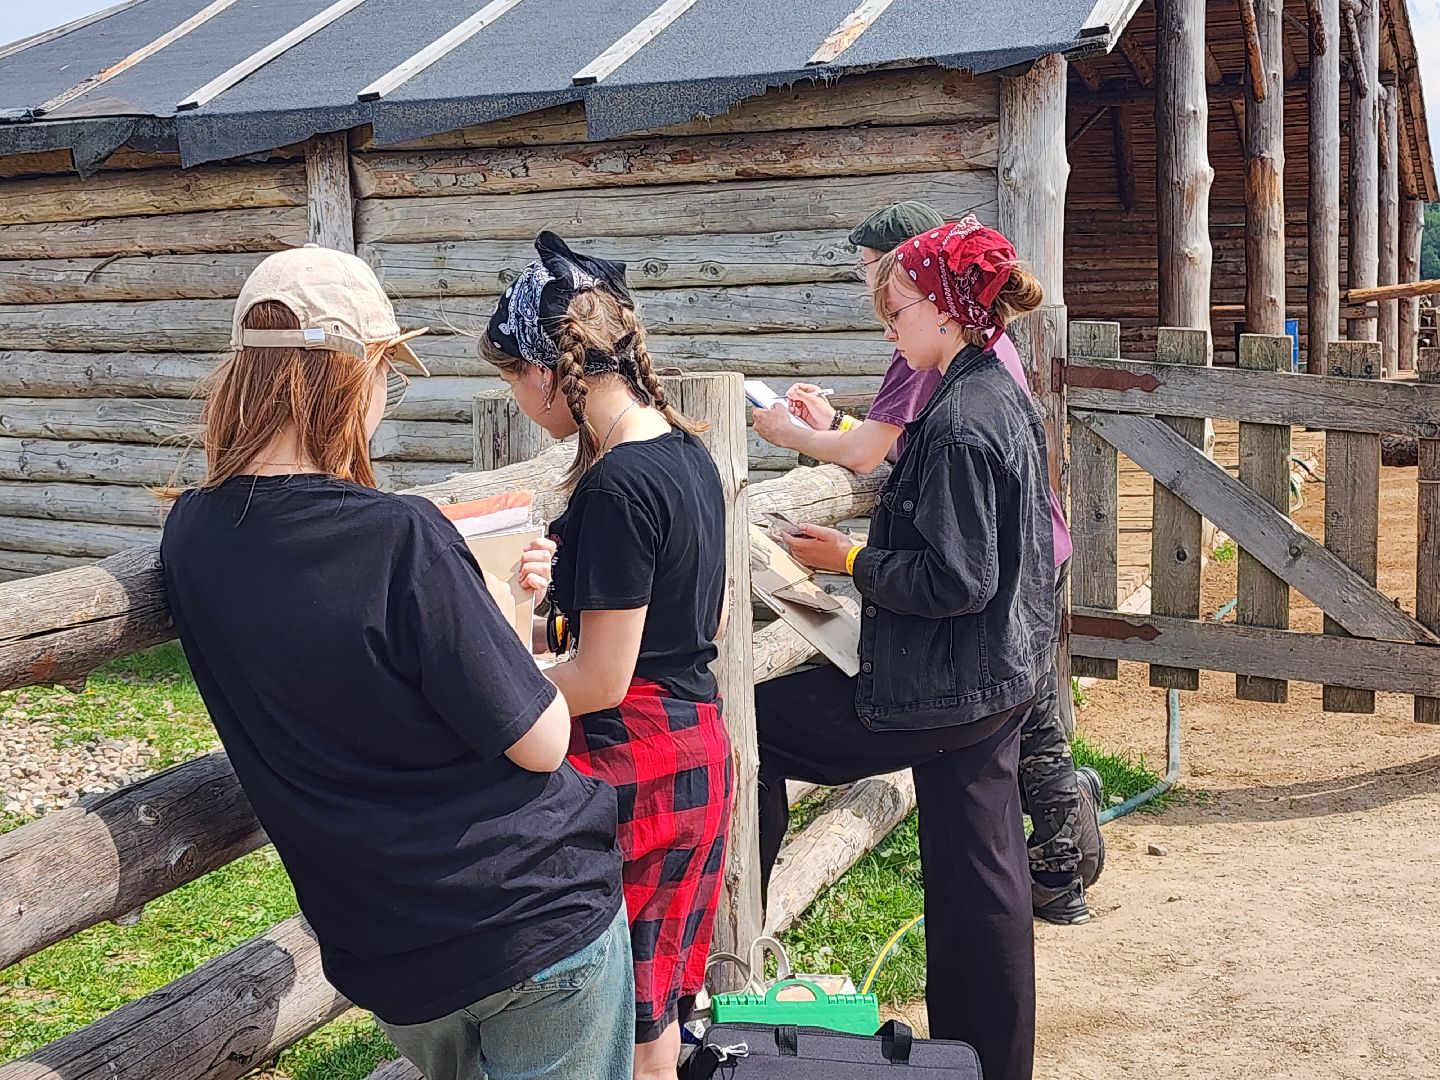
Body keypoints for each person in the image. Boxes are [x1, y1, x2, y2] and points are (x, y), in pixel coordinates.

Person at [160, 245, 633, 1080]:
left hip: (385, 946)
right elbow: (543, 739)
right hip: (526, 915)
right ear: (352, 375)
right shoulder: (398, 536)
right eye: (385, 369)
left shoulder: (192, 536)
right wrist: (497, 612)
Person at [754, 217, 1058, 1080]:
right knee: (983, 877)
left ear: (949, 310)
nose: (890, 329)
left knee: (752, 722)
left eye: (898, 312)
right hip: (999, 674)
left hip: (947, 687)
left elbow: (956, 579)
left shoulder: (963, 418)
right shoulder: (991, 391)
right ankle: (986, 1061)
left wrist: (850, 559)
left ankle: (735, 922)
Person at [482, 232, 732, 1080]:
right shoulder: (686, 453)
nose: (519, 399)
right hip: (693, 741)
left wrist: (497, 692)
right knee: (653, 1007)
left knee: (623, 1017)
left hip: (638, 761)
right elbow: (707, 618)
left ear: (553, 369)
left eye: (515, 377)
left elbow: (602, 678)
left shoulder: (622, 483)